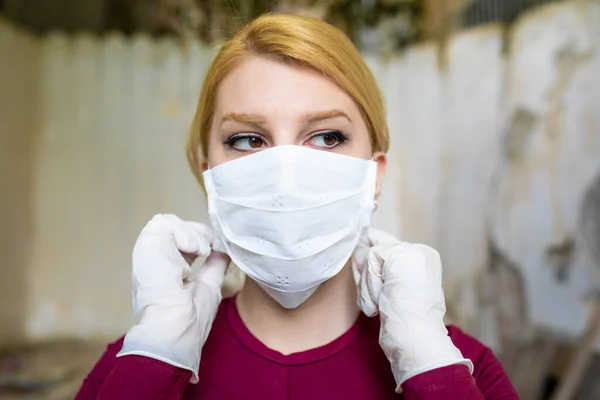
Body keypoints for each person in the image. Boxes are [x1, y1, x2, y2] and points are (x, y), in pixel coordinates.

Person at [75, 13, 518, 400]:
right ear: (210, 175)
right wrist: (156, 361)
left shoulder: (461, 367)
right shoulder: (133, 364)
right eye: (248, 139)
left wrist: (431, 372)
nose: (285, 175)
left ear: (374, 174)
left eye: (326, 136)